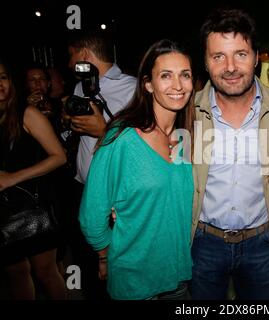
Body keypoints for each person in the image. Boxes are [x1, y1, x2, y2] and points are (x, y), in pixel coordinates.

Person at [79, 39, 195, 300]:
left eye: (185, 75)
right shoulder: (120, 139)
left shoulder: (185, 137)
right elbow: (91, 215)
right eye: (166, 76)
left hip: (178, 276)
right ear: (148, 84)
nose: (178, 85)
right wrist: (105, 256)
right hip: (134, 281)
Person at [191, 8, 269, 300]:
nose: (230, 67)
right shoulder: (187, 113)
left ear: (256, 57)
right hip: (204, 243)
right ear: (205, 62)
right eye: (218, 56)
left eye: (240, 54)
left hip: (263, 244)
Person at [66, 30, 136, 299]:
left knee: (117, 272)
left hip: (118, 199)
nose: (68, 62)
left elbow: (143, 146)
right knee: (88, 271)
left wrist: (104, 129)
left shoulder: (133, 88)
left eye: (71, 55)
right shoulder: (79, 87)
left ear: (84, 54)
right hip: (82, 189)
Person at [0, 58, 67, 299]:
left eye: (3, 77)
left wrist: (12, 178)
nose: (0, 84)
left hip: (33, 207)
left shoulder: (25, 113)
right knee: (16, 273)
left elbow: (59, 156)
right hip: (3, 210)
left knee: (45, 272)